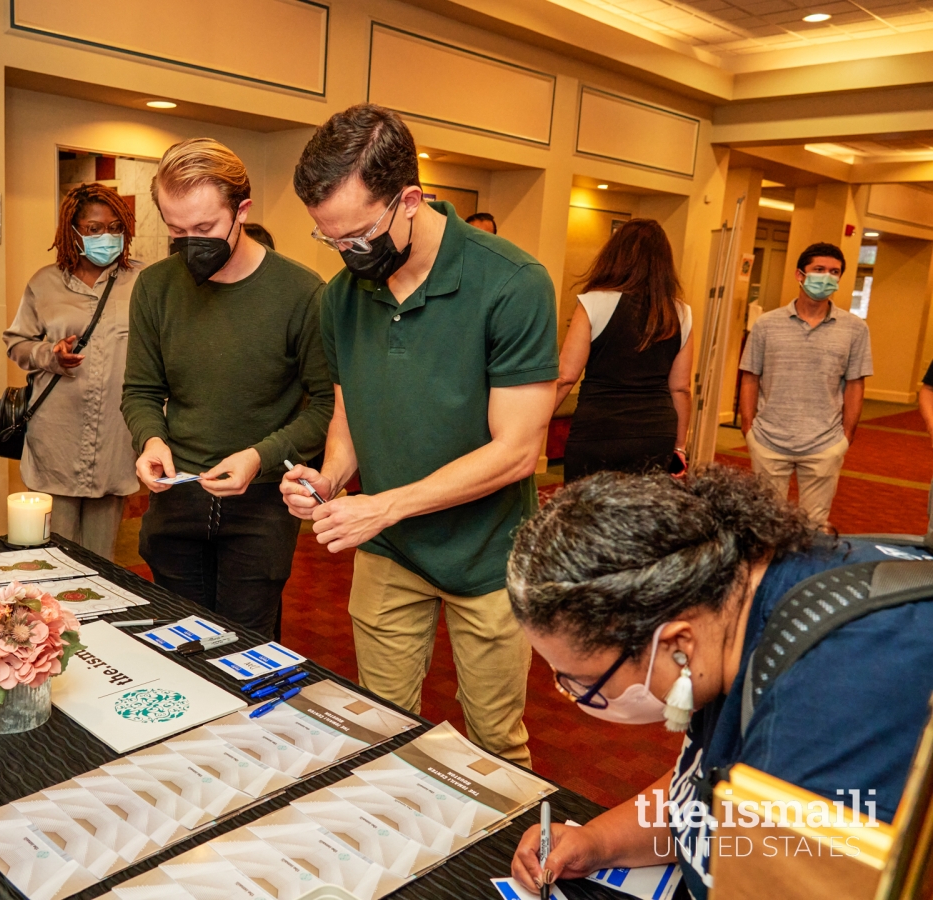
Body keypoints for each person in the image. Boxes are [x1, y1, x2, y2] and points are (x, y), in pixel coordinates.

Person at [505, 467, 933, 899]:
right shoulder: (735, 592)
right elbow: (708, 796)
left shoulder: (826, 703)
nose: (571, 695)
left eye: (585, 682)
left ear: (677, 643)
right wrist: (597, 842)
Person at [282, 104, 558, 764]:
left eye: (357, 233)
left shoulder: (514, 283)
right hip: (391, 551)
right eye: (330, 239)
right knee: (380, 729)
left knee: (495, 742)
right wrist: (331, 477)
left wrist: (385, 503)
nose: (348, 253)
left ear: (409, 199)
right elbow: (351, 408)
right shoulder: (342, 296)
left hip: (487, 555)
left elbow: (517, 451)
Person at [121, 138, 333, 638]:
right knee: (177, 642)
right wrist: (151, 439)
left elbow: (327, 406)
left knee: (246, 650)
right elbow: (141, 390)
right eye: (176, 230)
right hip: (177, 502)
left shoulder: (302, 293)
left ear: (242, 210)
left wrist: (260, 456)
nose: (191, 241)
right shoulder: (155, 288)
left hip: (260, 509)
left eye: (205, 228)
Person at [4, 183, 142, 560]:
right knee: (54, 556)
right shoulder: (44, 283)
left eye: (115, 227)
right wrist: (51, 354)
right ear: (74, 232)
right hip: (56, 440)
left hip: (115, 439)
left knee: (102, 560)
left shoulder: (143, 283)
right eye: (95, 228)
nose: (107, 236)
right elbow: (17, 343)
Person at [739, 241, 872, 530]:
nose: (827, 277)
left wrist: (846, 435)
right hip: (768, 440)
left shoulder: (855, 329)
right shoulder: (766, 324)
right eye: (819, 269)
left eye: (834, 272)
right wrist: (748, 427)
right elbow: (750, 377)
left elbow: (855, 384)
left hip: (824, 442)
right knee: (766, 525)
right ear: (800, 275)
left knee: (814, 529)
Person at [555, 219, 694, 481]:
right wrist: (679, 446)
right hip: (656, 433)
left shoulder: (593, 302)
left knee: (586, 514)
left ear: (615, 256)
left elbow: (565, 377)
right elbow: (681, 388)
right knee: (646, 516)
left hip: (598, 429)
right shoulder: (680, 312)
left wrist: (531, 425)